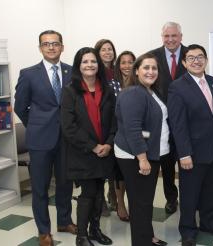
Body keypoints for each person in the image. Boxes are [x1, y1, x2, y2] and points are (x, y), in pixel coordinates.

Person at [14, 30, 76, 246]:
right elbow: (20, 106)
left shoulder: (71, 71)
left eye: (55, 43)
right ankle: (43, 230)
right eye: (46, 44)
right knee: (40, 188)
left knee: (65, 184)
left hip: (66, 139)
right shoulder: (29, 73)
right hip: (40, 140)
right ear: (40, 48)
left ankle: (65, 221)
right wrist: (36, 125)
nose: (51, 47)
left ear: (62, 46)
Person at [168, 44, 213, 246]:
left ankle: (209, 222)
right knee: (190, 192)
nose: (196, 61)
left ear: (205, 60)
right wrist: (184, 153)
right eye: (191, 58)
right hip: (192, 152)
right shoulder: (177, 87)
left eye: (200, 57)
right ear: (185, 62)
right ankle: (188, 230)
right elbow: (177, 124)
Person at [61, 47, 115, 246]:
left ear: (98, 65)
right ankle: (81, 236)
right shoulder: (70, 90)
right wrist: (93, 146)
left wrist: (108, 144)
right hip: (83, 152)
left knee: (99, 192)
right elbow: (68, 126)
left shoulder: (107, 89)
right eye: (85, 62)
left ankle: (95, 230)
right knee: (88, 193)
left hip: (105, 151)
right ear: (79, 66)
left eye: (93, 61)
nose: (90, 65)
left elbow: (114, 121)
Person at [114, 52, 168, 246]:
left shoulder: (150, 91)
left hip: (148, 152)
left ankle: (148, 237)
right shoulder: (134, 92)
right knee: (139, 203)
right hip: (135, 155)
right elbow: (133, 128)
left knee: (144, 201)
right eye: (146, 67)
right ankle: (141, 242)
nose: (151, 71)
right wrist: (142, 158)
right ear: (136, 71)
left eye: (154, 68)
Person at [149, 21, 187, 214]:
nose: (170, 39)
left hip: (186, 122)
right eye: (166, 36)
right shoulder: (152, 57)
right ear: (162, 37)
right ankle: (171, 198)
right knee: (167, 165)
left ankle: (189, 198)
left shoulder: (192, 55)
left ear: (181, 36)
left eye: (174, 36)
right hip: (162, 123)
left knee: (187, 163)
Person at [109, 50, 136, 222]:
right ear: (118, 66)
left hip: (136, 137)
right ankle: (120, 204)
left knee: (134, 175)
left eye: (130, 62)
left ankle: (136, 206)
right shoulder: (112, 85)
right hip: (117, 135)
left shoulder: (140, 83)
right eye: (123, 62)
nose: (127, 66)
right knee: (119, 174)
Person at [94, 39, 118, 215]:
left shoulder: (117, 71)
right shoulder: (94, 73)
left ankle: (113, 196)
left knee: (115, 165)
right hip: (100, 125)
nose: (108, 52)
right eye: (104, 49)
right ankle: (100, 200)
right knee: (101, 165)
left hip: (117, 124)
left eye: (110, 49)